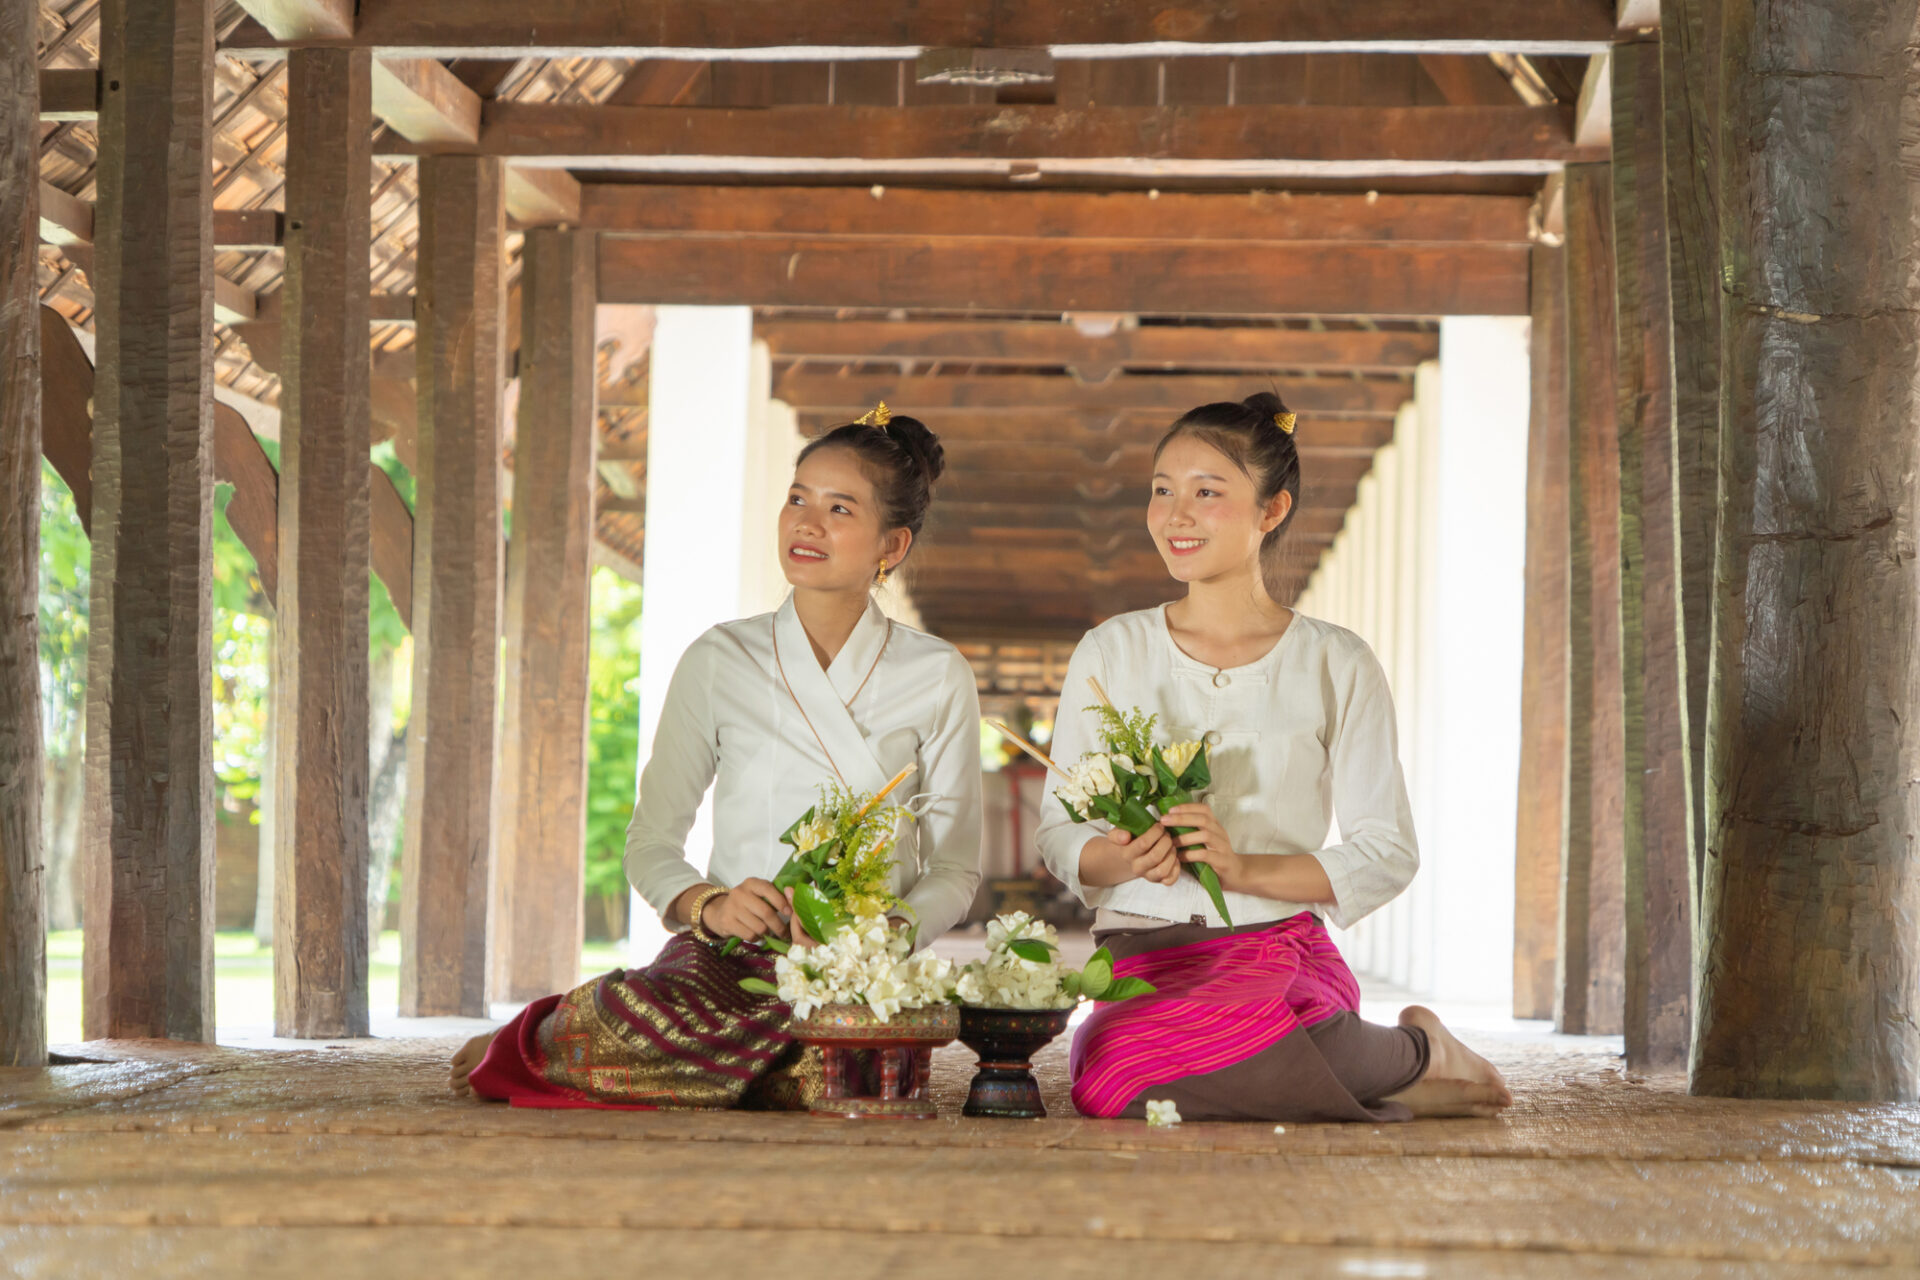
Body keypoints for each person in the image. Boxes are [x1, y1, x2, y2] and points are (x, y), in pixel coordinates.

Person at [451, 405, 983, 1108]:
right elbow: (650, 841)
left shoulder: (937, 673)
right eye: (797, 497)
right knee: (635, 1022)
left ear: (893, 544)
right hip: (727, 963)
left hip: (855, 971)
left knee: (844, 1063)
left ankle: (740, 1068)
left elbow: (953, 867)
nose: (806, 523)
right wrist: (709, 904)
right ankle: (547, 1033)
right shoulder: (719, 658)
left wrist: (888, 932)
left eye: (839, 509)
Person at [1035, 391, 1512, 1123]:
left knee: (1161, 1057)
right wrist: (1125, 856)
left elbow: (1386, 850)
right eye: (1162, 491)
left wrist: (1243, 870)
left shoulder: (1336, 661)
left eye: (1207, 492)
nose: (1176, 515)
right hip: (1145, 953)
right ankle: (1402, 1062)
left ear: (1272, 510)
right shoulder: (1112, 651)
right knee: (1111, 1079)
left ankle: (1409, 1056)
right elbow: (1060, 834)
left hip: (1272, 946)